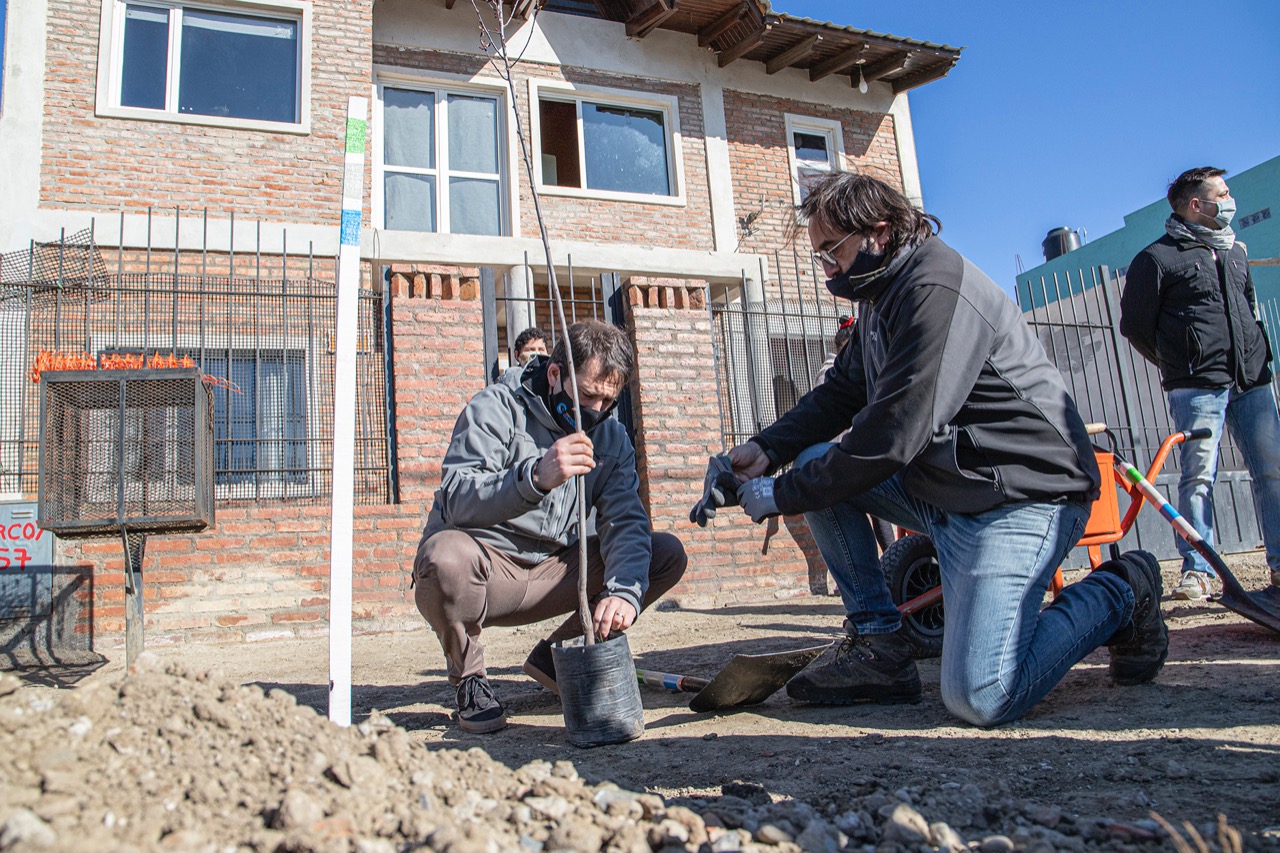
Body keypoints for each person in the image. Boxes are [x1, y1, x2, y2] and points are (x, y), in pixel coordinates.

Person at [714, 171, 1166, 727]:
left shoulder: (935, 288)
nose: (826, 267)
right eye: (819, 256)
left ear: (878, 232)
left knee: (982, 695)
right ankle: (880, 647)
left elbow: (893, 435)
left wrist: (777, 493)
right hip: (951, 490)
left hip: (1023, 497)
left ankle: (1125, 588)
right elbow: (843, 391)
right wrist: (765, 449)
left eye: (832, 250)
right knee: (813, 465)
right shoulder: (882, 294)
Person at [413, 319, 687, 733]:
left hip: (556, 571)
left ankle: (563, 656)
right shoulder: (495, 407)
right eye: (588, 395)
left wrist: (625, 592)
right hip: (486, 569)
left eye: (608, 401)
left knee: (662, 554)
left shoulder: (610, 439)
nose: (596, 411)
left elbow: (625, 521)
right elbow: (456, 497)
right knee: (444, 556)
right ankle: (469, 678)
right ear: (555, 373)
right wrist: (533, 477)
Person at [1120, 166, 1280, 601]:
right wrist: (1180, 362)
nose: (1230, 201)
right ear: (1196, 205)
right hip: (1197, 386)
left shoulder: (1235, 252)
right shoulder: (1156, 258)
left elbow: (1248, 308)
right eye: (1222, 194)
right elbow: (1135, 326)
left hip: (1253, 379)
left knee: (1273, 472)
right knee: (1198, 477)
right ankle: (1199, 571)